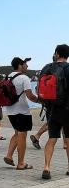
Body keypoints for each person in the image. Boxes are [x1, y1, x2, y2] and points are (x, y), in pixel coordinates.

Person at [3, 57, 39, 170]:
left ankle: (9, 156)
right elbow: (30, 96)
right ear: (20, 65)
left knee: (17, 133)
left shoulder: (8, 76)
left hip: (10, 111)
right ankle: (21, 163)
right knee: (22, 136)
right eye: (25, 64)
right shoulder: (24, 78)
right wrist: (42, 101)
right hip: (22, 111)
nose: (27, 66)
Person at [41, 44, 69, 179]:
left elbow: (40, 90)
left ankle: (46, 167)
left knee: (52, 138)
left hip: (50, 108)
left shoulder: (47, 68)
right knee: (68, 139)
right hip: (67, 109)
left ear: (57, 54)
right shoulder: (68, 68)